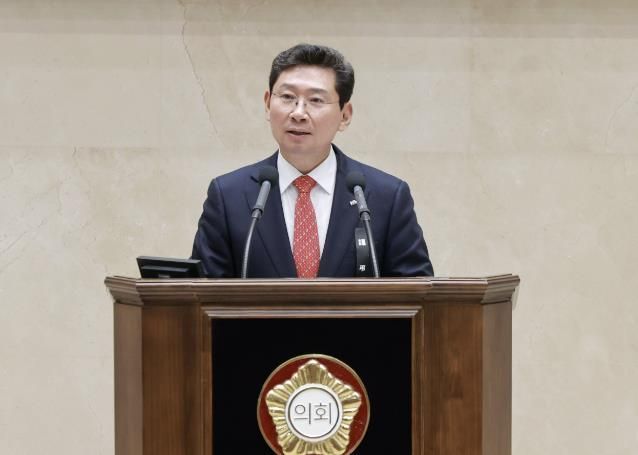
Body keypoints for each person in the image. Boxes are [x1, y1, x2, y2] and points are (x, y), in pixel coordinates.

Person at [191, 43, 433, 278]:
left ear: (345, 115)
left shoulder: (387, 197)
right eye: (287, 97)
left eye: (316, 100)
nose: (298, 113)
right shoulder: (228, 196)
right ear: (267, 104)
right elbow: (202, 294)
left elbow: (417, 293)